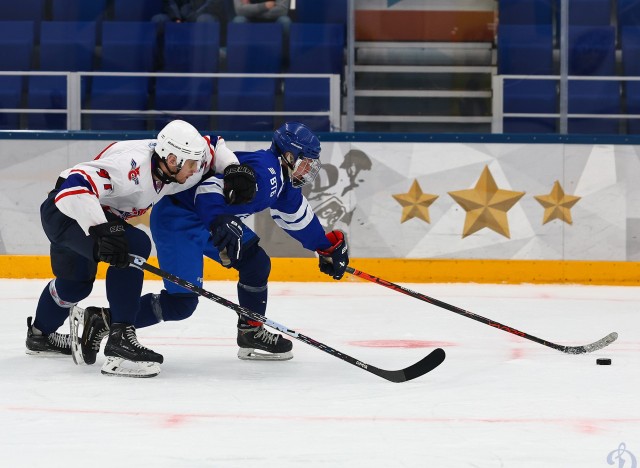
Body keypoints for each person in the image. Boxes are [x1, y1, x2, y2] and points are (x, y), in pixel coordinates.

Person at [74, 122, 349, 364]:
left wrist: (325, 247)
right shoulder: (266, 173)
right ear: (289, 155)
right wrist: (219, 219)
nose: (309, 169)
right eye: (306, 161)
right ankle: (105, 320)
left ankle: (251, 331)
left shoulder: (284, 184)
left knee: (256, 262)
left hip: (207, 218)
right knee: (181, 304)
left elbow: (297, 218)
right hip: (179, 220)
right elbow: (208, 188)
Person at [26, 119, 255, 378]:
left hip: (94, 214)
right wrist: (99, 228)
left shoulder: (179, 160)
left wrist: (234, 168)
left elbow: (213, 146)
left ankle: (39, 335)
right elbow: (73, 186)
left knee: (75, 284)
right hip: (67, 211)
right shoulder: (130, 168)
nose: (196, 170)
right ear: (171, 159)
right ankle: (120, 340)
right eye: (191, 164)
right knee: (135, 244)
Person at [152, 0, 225, 23]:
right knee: (158, 20)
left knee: (205, 19)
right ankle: (160, 57)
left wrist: (194, 15)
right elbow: (169, 4)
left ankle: (206, 55)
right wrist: (177, 18)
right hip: (175, 20)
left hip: (199, 17)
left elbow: (214, 3)